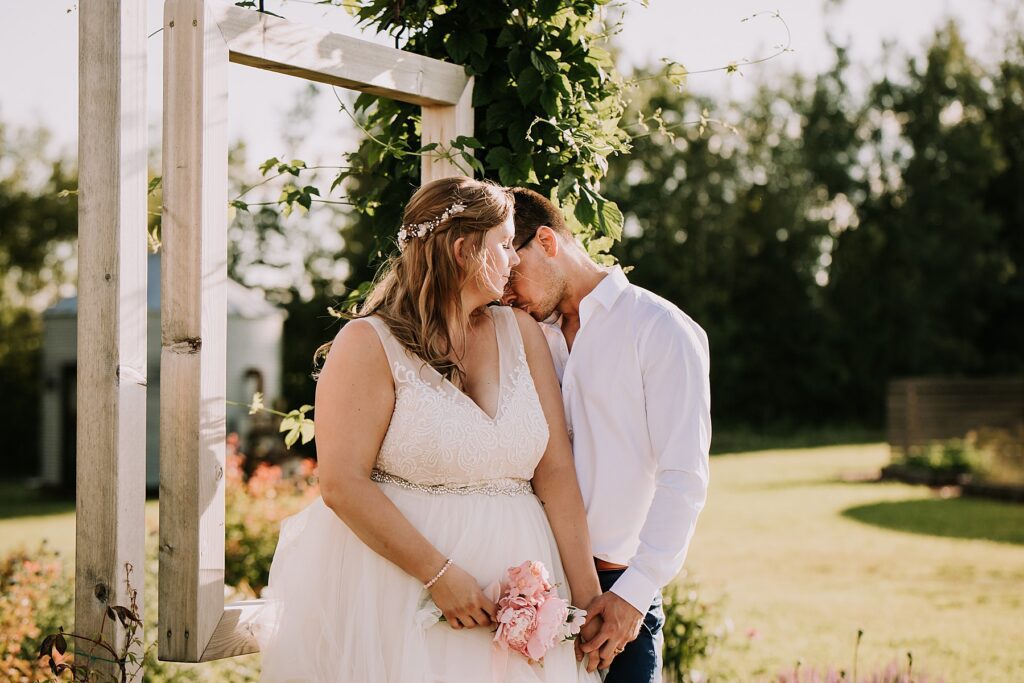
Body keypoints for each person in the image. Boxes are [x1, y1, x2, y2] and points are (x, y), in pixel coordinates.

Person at [257, 176, 603, 682]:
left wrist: (587, 597)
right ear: (466, 251)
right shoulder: (368, 343)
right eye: (504, 245)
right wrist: (438, 575)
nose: (513, 260)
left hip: (524, 592)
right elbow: (340, 482)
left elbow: (555, 472)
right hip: (403, 593)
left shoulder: (522, 333)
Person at [502, 188, 711, 683]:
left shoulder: (659, 329)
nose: (505, 293)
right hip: (531, 581)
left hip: (618, 590)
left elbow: (684, 476)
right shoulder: (522, 335)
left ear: (547, 241)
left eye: (511, 274)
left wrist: (634, 595)